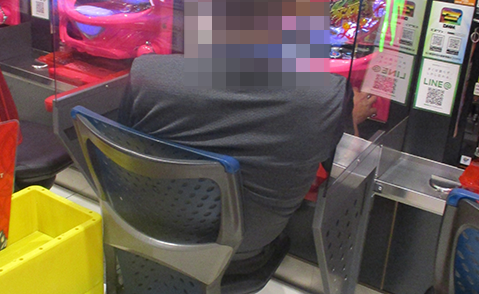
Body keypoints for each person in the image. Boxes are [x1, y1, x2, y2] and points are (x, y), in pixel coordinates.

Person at [118, 53, 376, 272]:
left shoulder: (148, 71)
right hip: (245, 249)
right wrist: (350, 118)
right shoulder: (325, 95)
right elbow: (346, 173)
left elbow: (125, 148)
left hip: (149, 226)